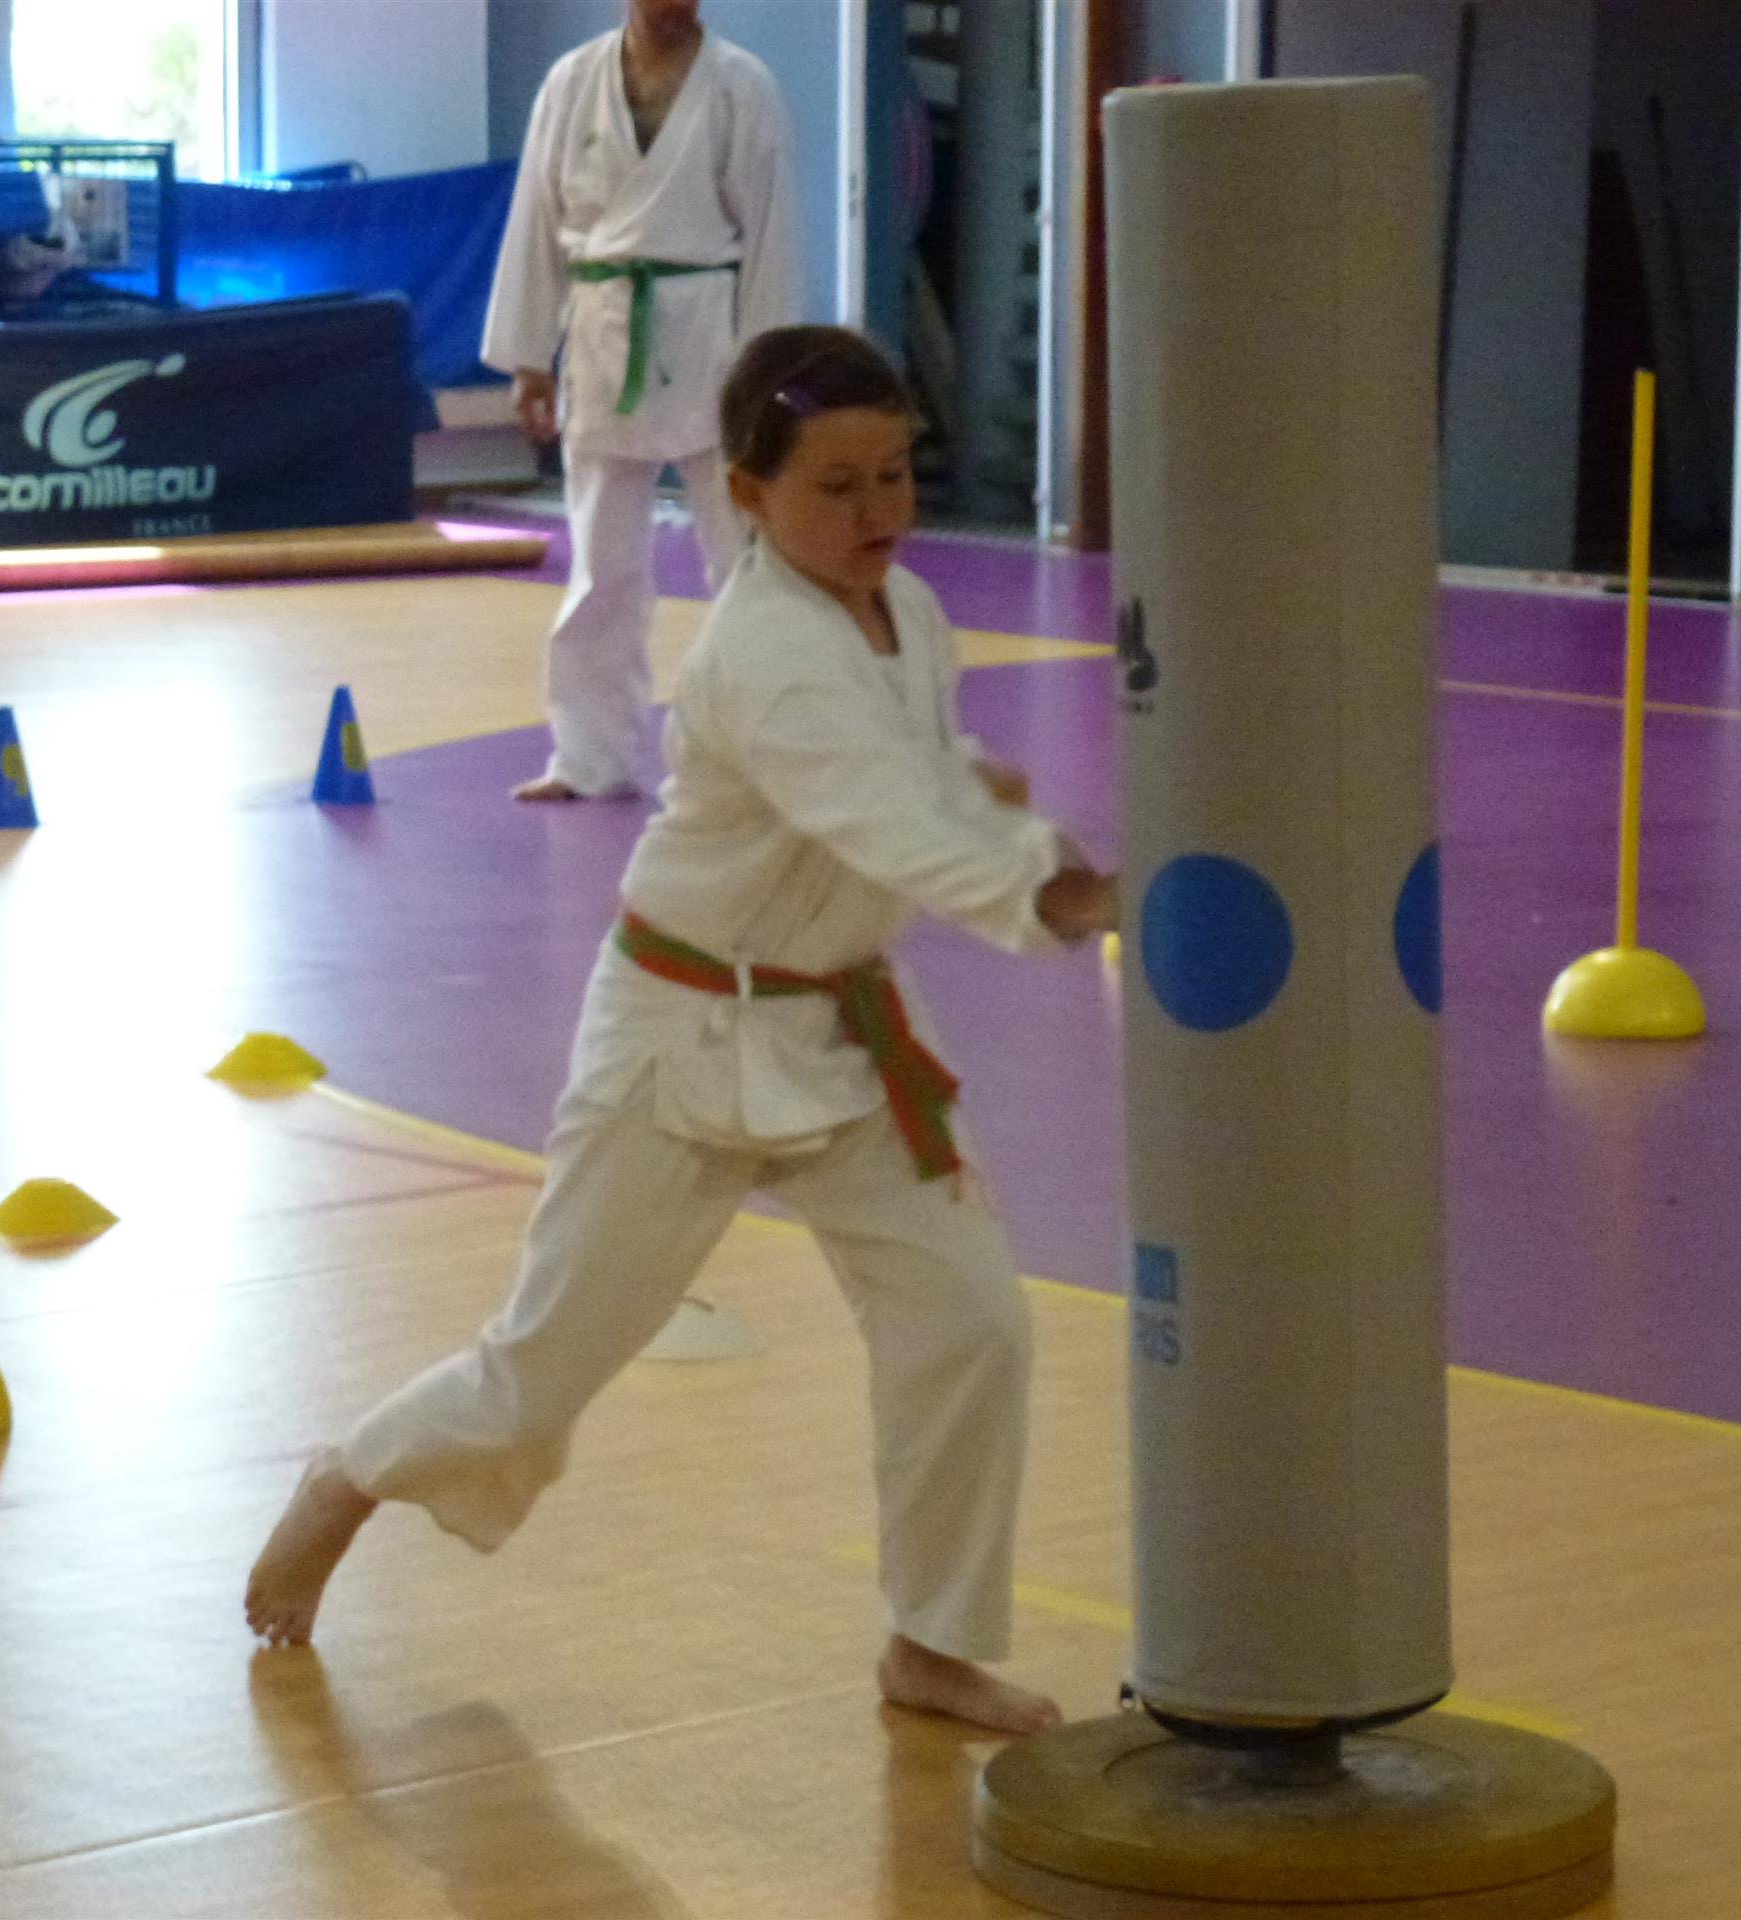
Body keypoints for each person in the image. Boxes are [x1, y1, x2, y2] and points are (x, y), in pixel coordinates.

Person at [246, 327, 1119, 1738]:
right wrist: (1066, 891)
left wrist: (988, 797)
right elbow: (886, 819)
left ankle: (932, 1646)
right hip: (678, 1034)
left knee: (970, 1322)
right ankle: (345, 1478)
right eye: (837, 484)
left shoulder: (908, 612)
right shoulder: (766, 650)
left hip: (844, 1034)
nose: (878, 510)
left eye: (894, 474)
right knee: (537, 1378)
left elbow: (902, 781)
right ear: (750, 494)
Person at [485, 0, 800, 803]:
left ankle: (753, 756)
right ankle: (587, 758)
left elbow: (770, 233)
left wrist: (769, 368)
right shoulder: (571, 82)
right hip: (602, 329)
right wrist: (529, 358)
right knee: (600, 569)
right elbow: (536, 217)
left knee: (743, 558)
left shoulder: (741, 85)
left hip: (710, 336)